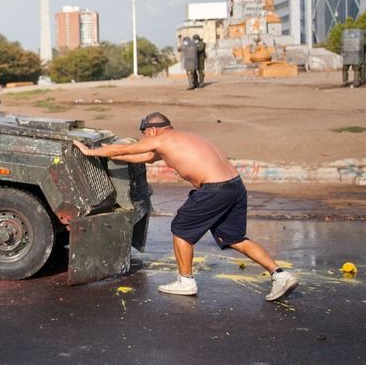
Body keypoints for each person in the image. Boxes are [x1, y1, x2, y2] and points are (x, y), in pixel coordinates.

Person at [72, 112, 298, 302]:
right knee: (235, 237)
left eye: (144, 133)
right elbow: (146, 157)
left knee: (181, 227)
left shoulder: (162, 139)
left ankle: (186, 281)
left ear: (152, 130)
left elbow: (121, 150)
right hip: (234, 186)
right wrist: (123, 157)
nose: (144, 137)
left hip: (214, 188)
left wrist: (90, 151)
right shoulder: (184, 138)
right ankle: (280, 275)